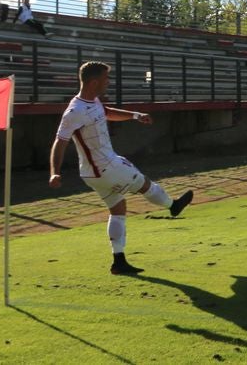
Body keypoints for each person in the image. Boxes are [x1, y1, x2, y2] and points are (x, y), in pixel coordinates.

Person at [49, 61, 194, 275]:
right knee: (145, 184)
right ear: (94, 82)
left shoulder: (93, 101)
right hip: (106, 167)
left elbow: (106, 112)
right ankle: (172, 206)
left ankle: (119, 261)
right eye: (106, 79)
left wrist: (135, 115)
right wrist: (55, 171)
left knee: (118, 209)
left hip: (94, 172)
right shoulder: (74, 112)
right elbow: (60, 142)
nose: (109, 82)